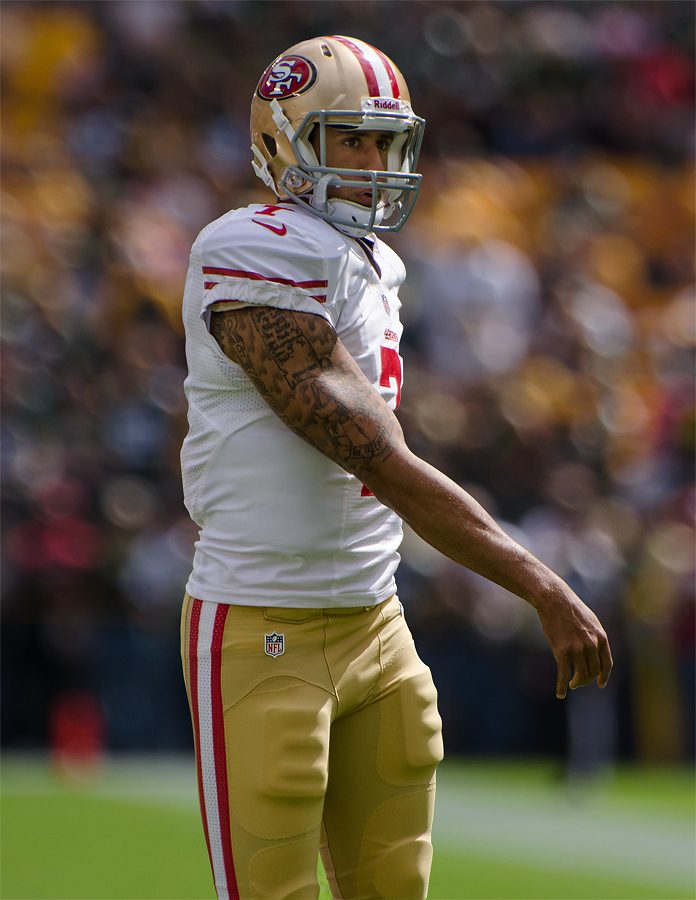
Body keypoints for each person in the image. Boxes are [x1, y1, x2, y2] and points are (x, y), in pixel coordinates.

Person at [179, 34, 613, 900]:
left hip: (378, 621)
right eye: (352, 139)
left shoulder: (372, 262)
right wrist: (535, 579)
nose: (376, 161)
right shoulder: (252, 247)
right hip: (265, 624)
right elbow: (373, 454)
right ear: (285, 138)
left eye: (386, 141)